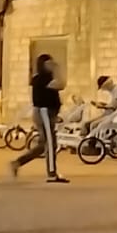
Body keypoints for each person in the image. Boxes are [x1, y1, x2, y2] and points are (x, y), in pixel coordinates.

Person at [11, 53, 70, 184]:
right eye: (49, 63)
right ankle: (52, 174)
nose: (51, 65)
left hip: (48, 113)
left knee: (43, 145)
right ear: (43, 65)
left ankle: (18, 162)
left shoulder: (45, 77)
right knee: (50, 143)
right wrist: (57, 69)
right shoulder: (41, 78)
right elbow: (61, 84)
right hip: (44, 112)